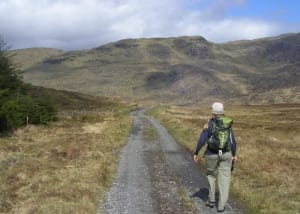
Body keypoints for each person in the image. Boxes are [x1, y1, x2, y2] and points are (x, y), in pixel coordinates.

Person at [193, 102, 238, 213]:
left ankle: (211, 200)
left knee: (211, 175)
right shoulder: (227, 124)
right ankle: (221, 206)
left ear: (212, 111)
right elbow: (232, 142)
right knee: (225, 179)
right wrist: (234, 154)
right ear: (222, 111)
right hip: (226, 154)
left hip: (211, 154)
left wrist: (196, 152)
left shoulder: (209, 123)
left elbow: (202, 139)